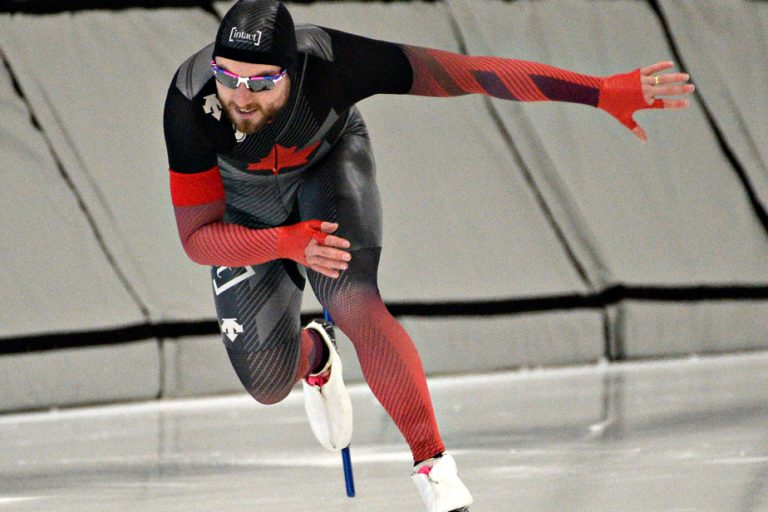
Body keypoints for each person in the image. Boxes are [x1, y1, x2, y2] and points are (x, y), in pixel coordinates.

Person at [162, 1, 695, 510]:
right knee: (268, 384)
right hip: (246, 208)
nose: (241, 95)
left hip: (326, 172)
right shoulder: (192, 101)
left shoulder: (333, 64)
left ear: (291, 72)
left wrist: (598, 92)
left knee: (352, 302)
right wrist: (285, 241)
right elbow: (197, 238)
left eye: (261, 82)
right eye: (228, 76)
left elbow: (469, 73)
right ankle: (317, 358)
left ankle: (433, 467)